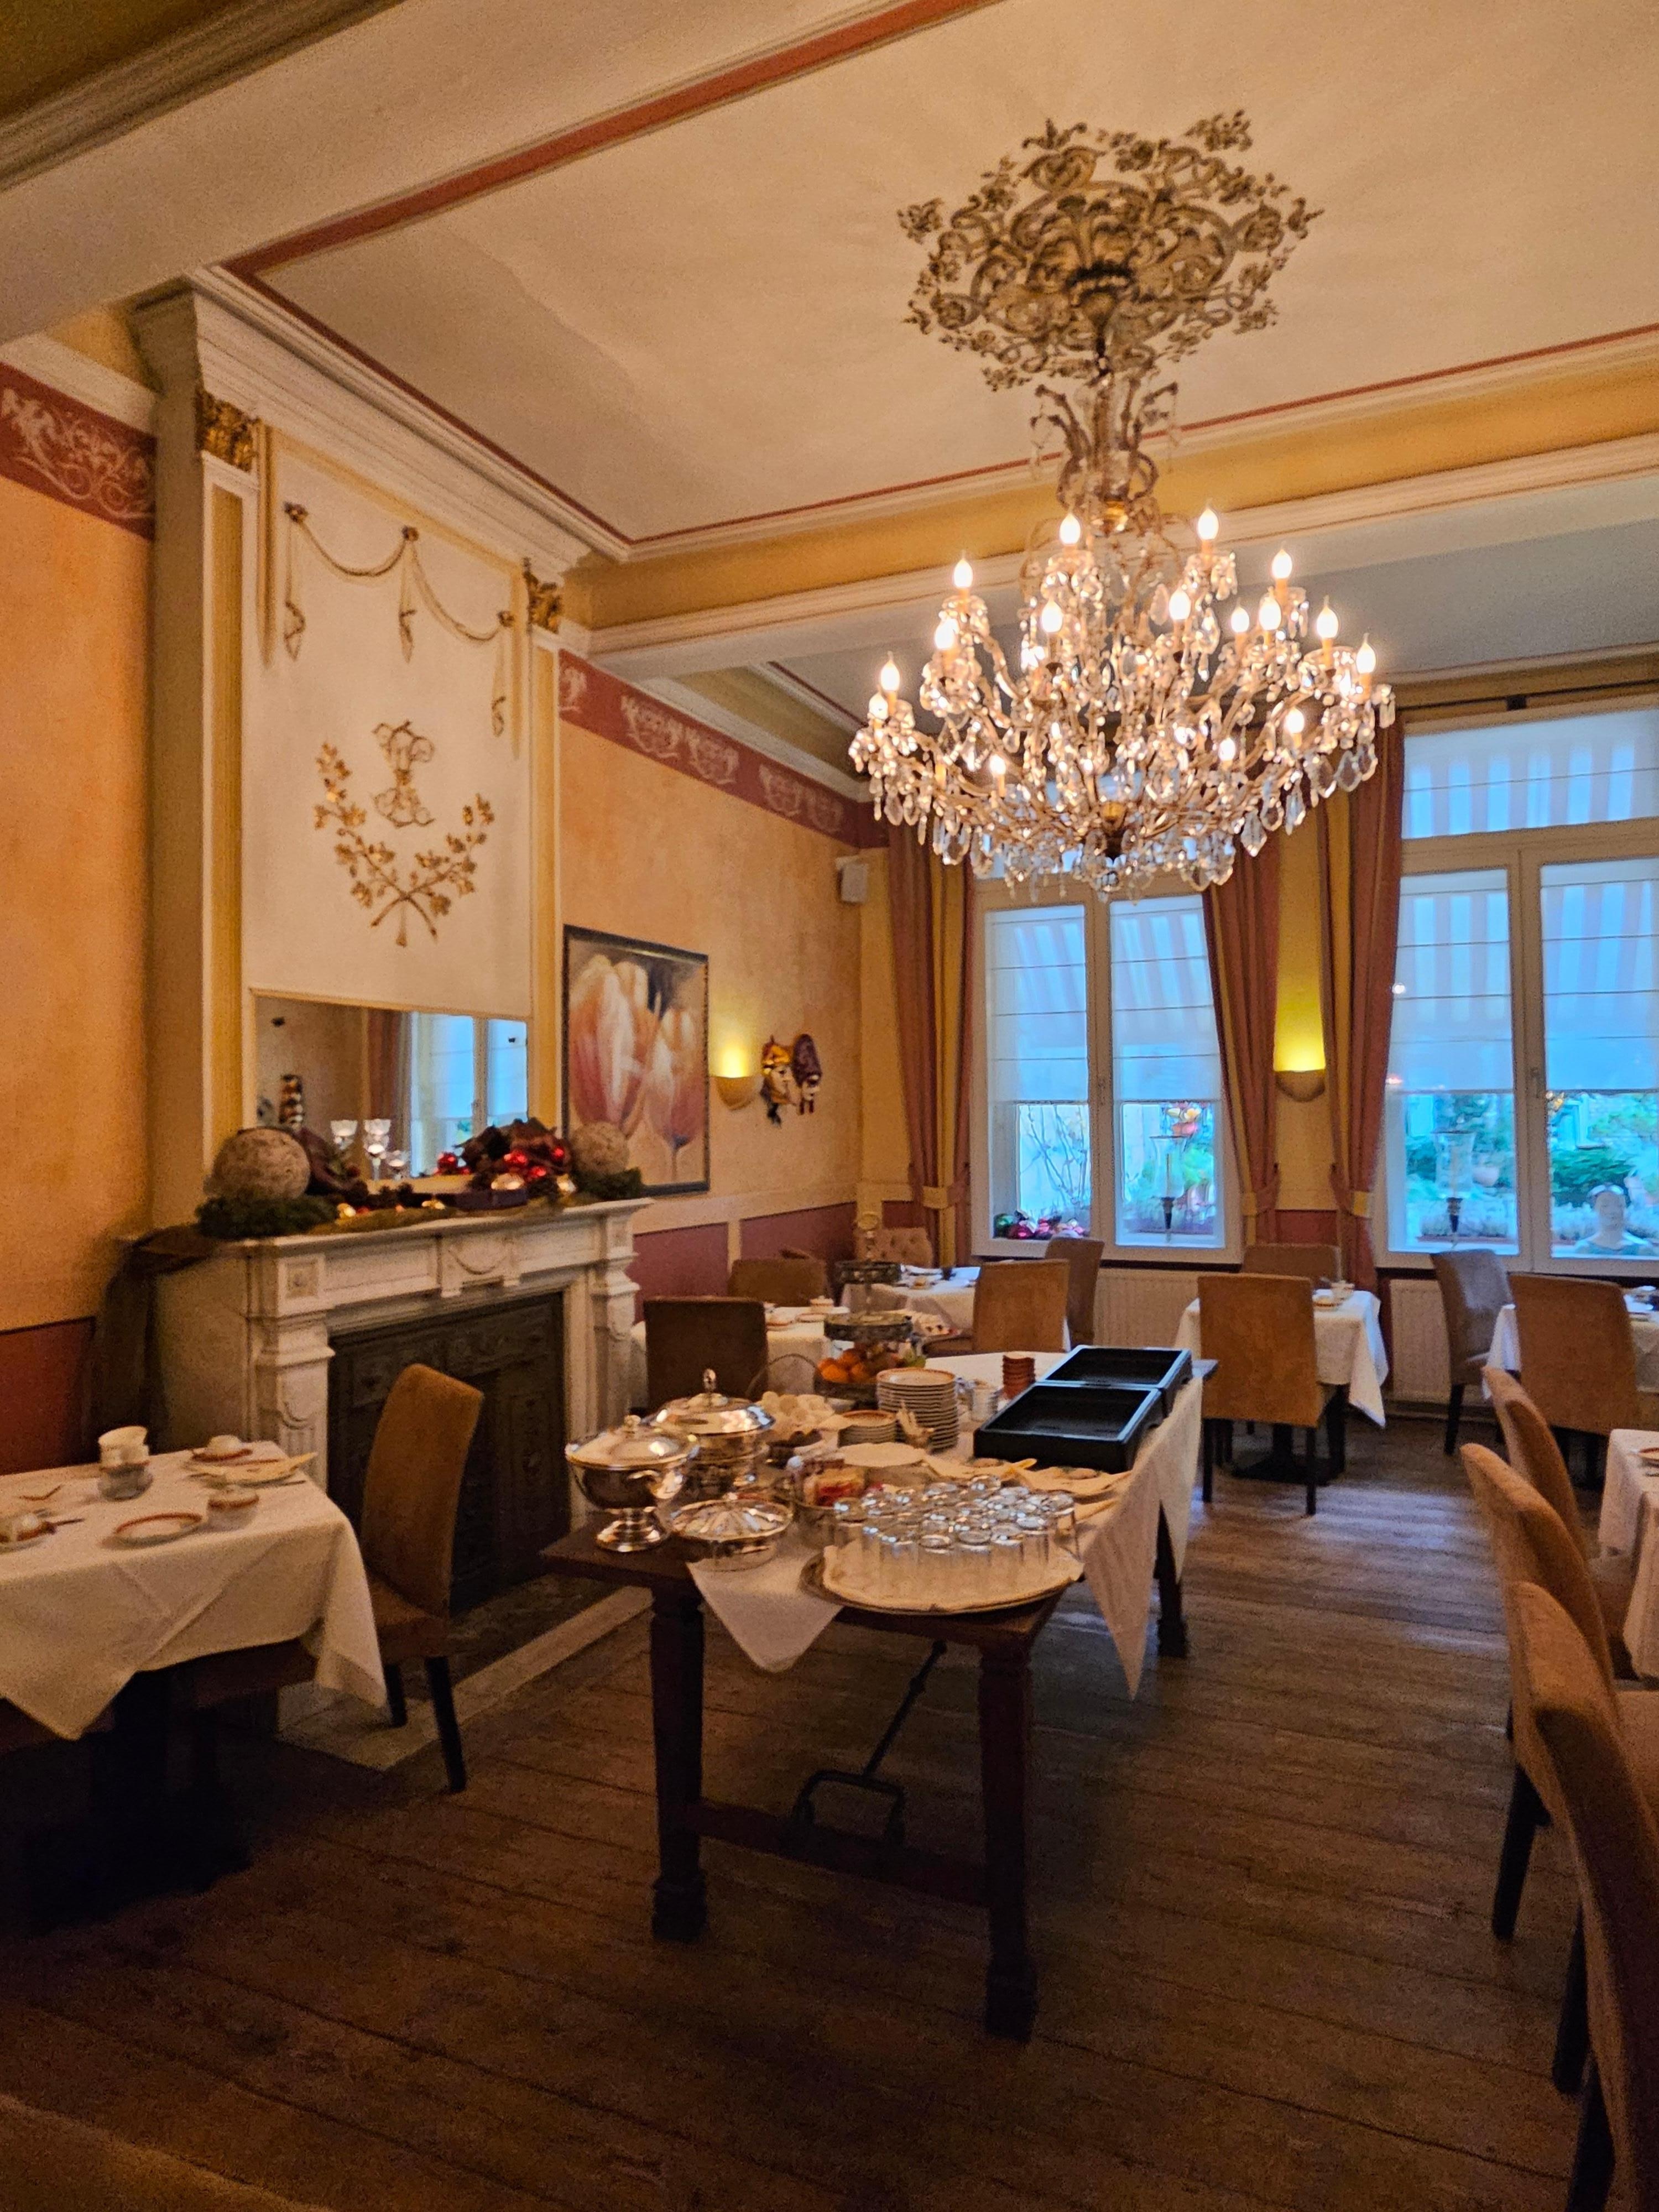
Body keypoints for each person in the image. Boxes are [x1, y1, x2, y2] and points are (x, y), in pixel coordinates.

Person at [1574, 1182, 1657, 1255]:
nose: (1612, 1211)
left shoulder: (1643, 1249)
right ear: (1594, 1210)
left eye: (1619, 1205)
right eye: (1605, 1206)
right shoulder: (1584, 1250)